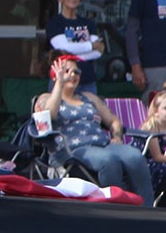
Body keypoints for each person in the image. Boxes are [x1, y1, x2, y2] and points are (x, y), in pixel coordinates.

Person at [35, 56, 154, 204]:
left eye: (76, 72)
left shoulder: (89, 97)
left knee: (136, 157)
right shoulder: (45, 98)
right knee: (108, 161)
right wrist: (59, 83)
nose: (73, 75)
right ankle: (117, 209)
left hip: (103, 145)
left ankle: (147, 208)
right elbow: (48, 115)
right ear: (55, 75)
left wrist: (117, 137)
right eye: (67, 71)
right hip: (72, 151)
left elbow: (113, 120)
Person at [46, 0, 104, 92]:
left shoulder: (88, 22)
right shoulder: (54, 23)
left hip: (88, 82)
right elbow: (63, 48)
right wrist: (91, 46)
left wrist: (69, 56)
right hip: (61, 82)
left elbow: (98, 52)